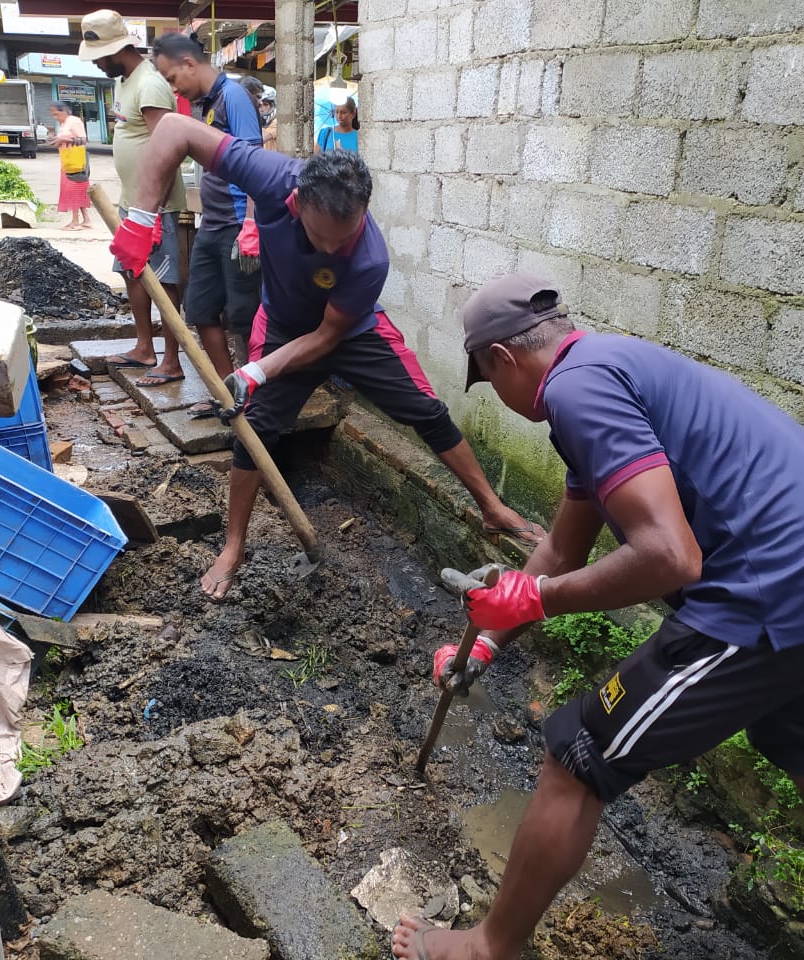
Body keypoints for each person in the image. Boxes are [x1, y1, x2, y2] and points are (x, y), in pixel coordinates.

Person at [390, 273, 804, 960]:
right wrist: (487, 641)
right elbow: (562, 545)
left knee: (576, 754)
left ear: (501, 359)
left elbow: (671, 558)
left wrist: (534, 598)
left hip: (772, 595)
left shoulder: (576, 391)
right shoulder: (611, 369)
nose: (498, 393)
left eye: (489, 382)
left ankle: (489, 947)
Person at [112, 119, 544, 600]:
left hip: (352, 331)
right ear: (296, 205)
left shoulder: (369, 260)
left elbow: (326, 338)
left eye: (347, 236)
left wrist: (256, 371)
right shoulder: (274, 179)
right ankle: (234, 546)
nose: (335, 250)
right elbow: (174, 129)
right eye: (322, 238)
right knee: (258, 430)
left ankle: (490, 505)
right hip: (281, 326)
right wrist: (142, 217)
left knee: (426, 410)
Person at [152, 33, 263, 393]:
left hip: (236, 224)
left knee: (245, 318)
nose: (174, 89)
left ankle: (253, 395)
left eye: (172, 78)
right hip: (212, 224)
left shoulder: (234, 98)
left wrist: (251, 222)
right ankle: (226, 389)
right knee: (199, 309)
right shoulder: (203, 105)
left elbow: (254, 164)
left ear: (189, 63)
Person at [79, 8, 186, 381]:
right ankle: (144, 349)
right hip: (131, 202)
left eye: (98, 58)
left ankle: (171, 361)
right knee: (132, 273)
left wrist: (153, 211)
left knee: (164, 283)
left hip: (155, 208)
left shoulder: (150, 84)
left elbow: (169, 147)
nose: (96, 65)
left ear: (116, 50)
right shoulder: (122, 81)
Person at [48, 102, 92, 231]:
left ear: (64, 111)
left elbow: (83, 139)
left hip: (76, 162)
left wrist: (63, 139)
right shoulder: (64, 123)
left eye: (56, 114)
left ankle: (75, 222)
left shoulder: (74, 121)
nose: (55, 117)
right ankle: (86, 220)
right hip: (67, 161)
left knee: (73, 189)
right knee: (78, 190)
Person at [259, 87, 278, 151]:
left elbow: (262, 139)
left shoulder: (276, 122)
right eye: (259, 105)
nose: (262, 109)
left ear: (272, 105)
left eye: (265, 104)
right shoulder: (260, 122)